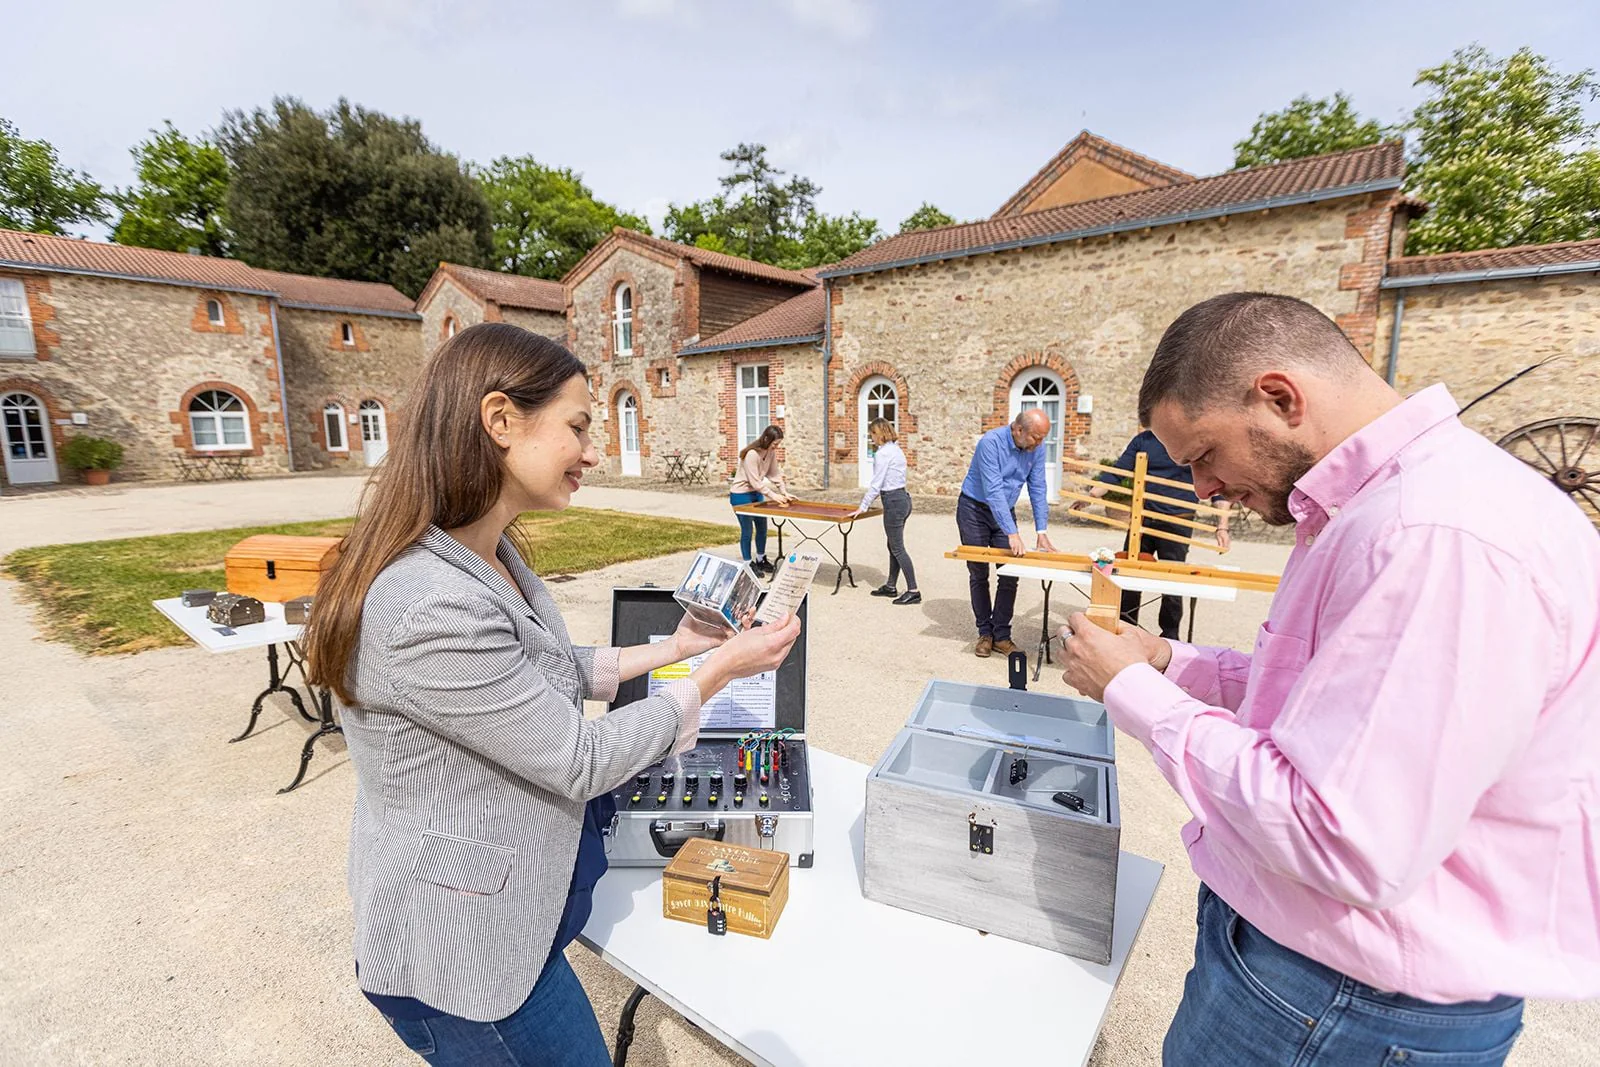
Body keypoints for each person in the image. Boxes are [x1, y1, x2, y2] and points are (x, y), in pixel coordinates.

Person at [1056, 293, 1600, 1066]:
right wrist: (1171, 662)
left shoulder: (1433, 536)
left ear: (1279, 397)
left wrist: (1134, 694)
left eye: (1205, 455)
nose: (1204, 490)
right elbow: (1322, 699)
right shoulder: (1380, 508)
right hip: (1328, 986)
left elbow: (1339, 832)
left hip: (1342, 1003)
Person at [304, 323, 801, 1065]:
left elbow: (533, 663)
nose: (594, 451)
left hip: (502, 922)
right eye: (577, 426)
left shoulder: (476, 550)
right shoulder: (427, 602)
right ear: (500, 420)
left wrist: (675, 647)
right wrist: (719, 671)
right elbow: (579, 758)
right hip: (465, 959)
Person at [1068, 427, 1230, 639]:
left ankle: (1170, 637)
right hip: (1141, 521)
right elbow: (1118, 472)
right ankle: (1126, 628)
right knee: (1129, 574)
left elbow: (1215, 484)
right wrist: (1091, 496)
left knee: (1172, 581)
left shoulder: (1193, 439)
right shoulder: (1144, 440)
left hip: (1177, 522)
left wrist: (1222, 526)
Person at [956, 409, 1057, 657]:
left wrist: (1041, 529)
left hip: (1004, 510)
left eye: (1043, 438)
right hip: (974, 509)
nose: (1039, 443)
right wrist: (1012, 532)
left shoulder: (1036, 447)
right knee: (979, 572)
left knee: (1010, 572)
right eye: (1035, 437)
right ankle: (985, 633)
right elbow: (993, 491)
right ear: (1018, 430)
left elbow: (1038, 486)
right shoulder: (990, 443)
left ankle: (1001, 635)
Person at [855, 417, 919, 605]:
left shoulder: (883, 454)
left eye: (872, 434)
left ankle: (913, 590)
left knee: (898, 548)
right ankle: (891, 586)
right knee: (893, 545)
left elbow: (877, 484)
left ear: (880, 433)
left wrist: (863, 506)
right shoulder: (896, 450)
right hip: (903, 499)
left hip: (893, 501)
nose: (871, 438)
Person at [729, 424, 792, 576]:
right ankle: (747, 563)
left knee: (762, 527)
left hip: (756, 494)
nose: (776, 447)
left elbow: (775, 474)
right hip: (741, 495)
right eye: (775, 443)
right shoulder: (751, 454)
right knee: (747, 530)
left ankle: (760, 559)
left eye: (778, 444)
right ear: (766, 439)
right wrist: (774, 496)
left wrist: (784, 492)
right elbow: (755, 482)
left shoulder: (770, 453)